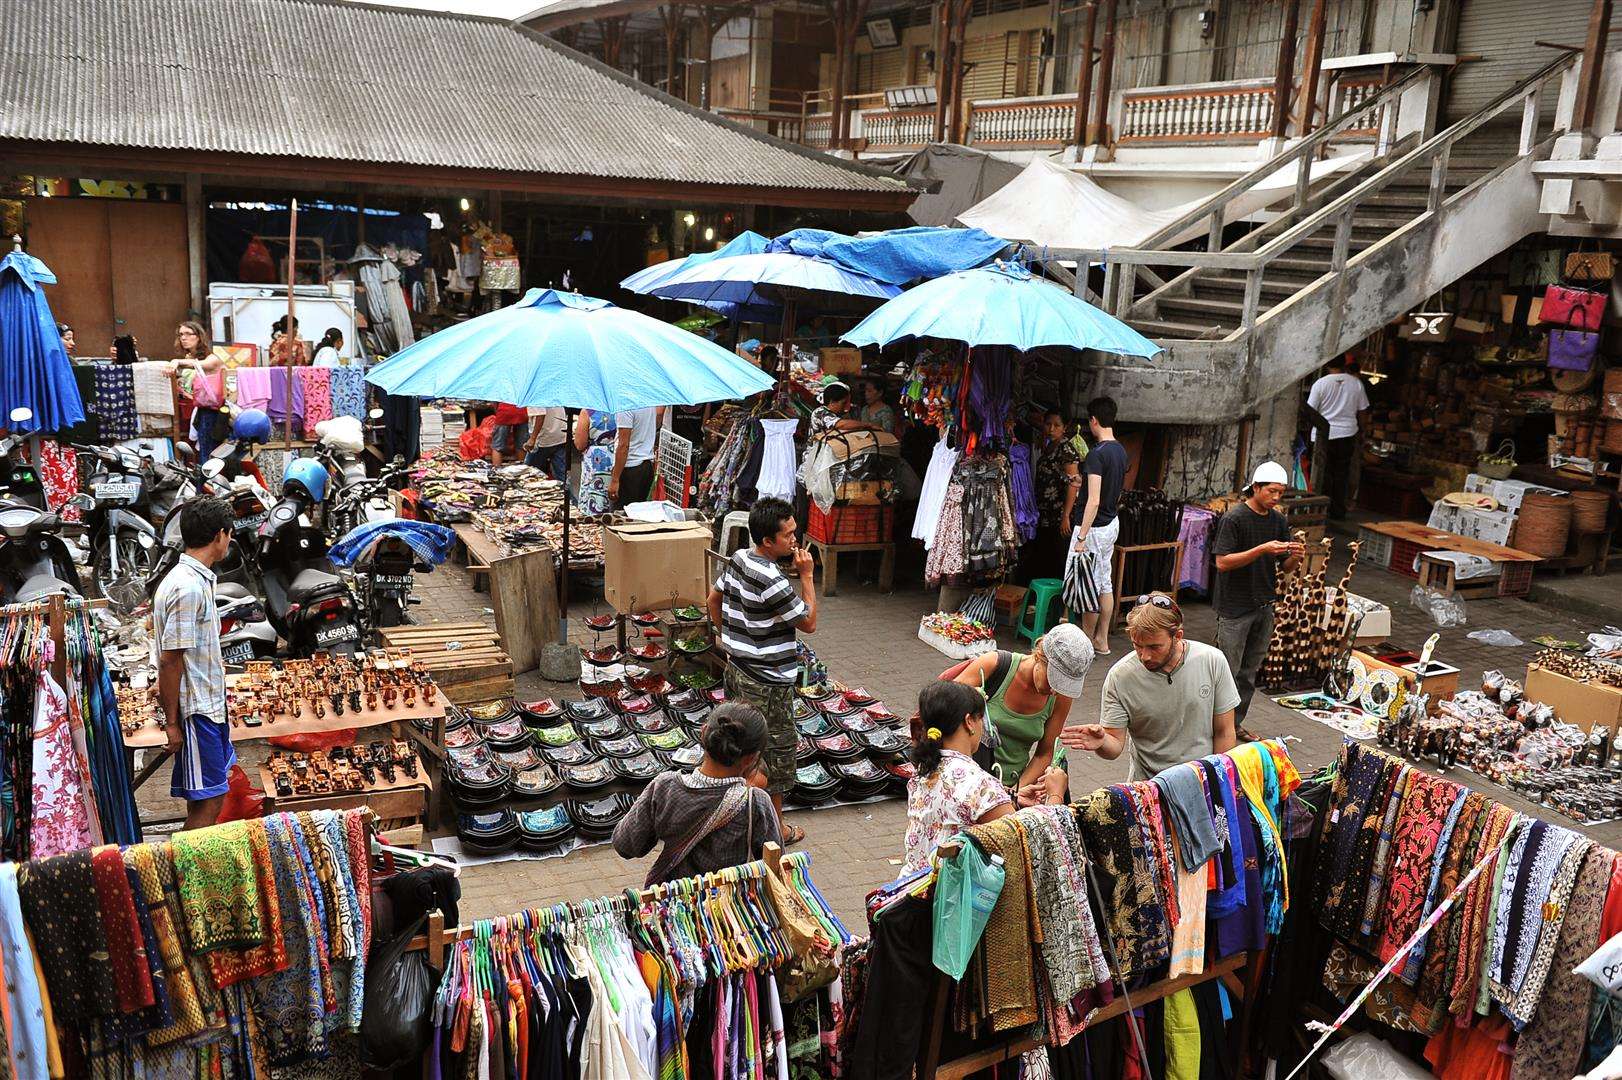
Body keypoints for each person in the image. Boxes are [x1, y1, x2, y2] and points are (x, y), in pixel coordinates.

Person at [707, 497, 818, 845]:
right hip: (768, 683)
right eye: (788, 536)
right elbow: (809, 621)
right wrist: (807, 576)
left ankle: (734, 814)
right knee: (776, 754)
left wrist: (727, 638)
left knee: (737, 743)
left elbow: (713, 599)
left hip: (738, 669)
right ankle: (776, 830)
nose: (794, 541)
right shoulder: (773, 579)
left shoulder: (740, 558)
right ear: (768, 541)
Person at [1061, 593, 1239, 781]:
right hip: (1150, 788)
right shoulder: (1120, 677)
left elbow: (1224, 732)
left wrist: (1220, 783)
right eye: (1137, 645)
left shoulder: (1212, 660)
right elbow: (1114, 745)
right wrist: (1102, 741)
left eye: (1154, 647)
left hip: (1202, 782)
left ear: (1177, 636)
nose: (1144, 656)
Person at [612, 703, 781, 886]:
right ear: (752, 758)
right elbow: (775, 865)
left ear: (703, 732)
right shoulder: (755, 803)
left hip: (672, 904)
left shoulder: (664, 787)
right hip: (729, 909)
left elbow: (626, 845)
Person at [155, 496, 236, 830]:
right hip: (196, 712)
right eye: (229, 534)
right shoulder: (187, 587)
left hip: (207, 707)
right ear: (219, 535)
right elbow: (170, 660)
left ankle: (191, 873)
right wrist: (172, 722)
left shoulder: (196, 580)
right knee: (209, 803)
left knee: (206, 797)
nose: (230, 540)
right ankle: (186, 877)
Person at [952, 623, 1093, 793]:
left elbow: (1044, 754)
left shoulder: (1061, 697)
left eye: (1064, 684)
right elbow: (943, 709)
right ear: (1040, 656)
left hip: (1013, 785)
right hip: (963, 781)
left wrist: (1014, 792)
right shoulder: (994, 665)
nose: (1055, 690)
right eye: (1053, 679)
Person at [1213, 462, 1304, 725]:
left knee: (1248, 672)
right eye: (1271, 491)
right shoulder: (1234, 519)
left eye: (1281, 493)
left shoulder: (1278, 520)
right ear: (1256, 488)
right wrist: (1261, 549)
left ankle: (1234, 724)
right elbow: (1222, 562)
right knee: (1226, 672)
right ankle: (1215, 727)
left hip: (1264, 605)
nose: (1276, 498)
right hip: (1234, 607)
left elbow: (1285, 566)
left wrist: (1296, 558)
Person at [902, 682, 1024, 872]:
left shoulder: (923, 771)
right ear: (969, 722)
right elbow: (1020, 846)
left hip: (912, 888)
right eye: (981, 719)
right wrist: (1053, 798)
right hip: (953, 897)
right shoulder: (980, 784)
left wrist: (1007, 800)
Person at [1068, 396, 1129, 654]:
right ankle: (1101, 640)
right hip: (1110, 523)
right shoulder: (1120, 451)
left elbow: (1093, 501)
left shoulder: (1096, 454)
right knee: (1104, 582)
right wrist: (1081, 485)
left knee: (1087, 584)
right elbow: (1108, 491)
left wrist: (1081, 536)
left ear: (1094, 420)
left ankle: (1084, 642)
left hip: (1092, 527)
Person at [1306, 354, 1370, 519]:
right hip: (1347, 434)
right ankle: (1338, 511)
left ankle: (1321, 511)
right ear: (1344, 364)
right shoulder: (1356, 383)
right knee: (1341, 474)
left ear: (1326, 364)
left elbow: (1310, 411)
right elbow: (1363, 411)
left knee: (1323, 474)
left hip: (1322, 436)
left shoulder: (1320, 384)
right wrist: (1363, 430)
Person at [1028, 410, 1082, 582]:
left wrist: (1066, 516)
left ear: (1064, 428)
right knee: (1043, 554)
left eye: (1057, 425)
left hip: (1059, 514)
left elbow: (1073, 483)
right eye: (1048, 424)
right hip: (1044, 511)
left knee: (1057, 557)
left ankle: (1056, 602)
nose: (1051, 428)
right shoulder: (1048, 445)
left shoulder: (1066, 449)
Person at [172, 321, 228, 458]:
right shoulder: (188, 357)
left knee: (207, 452)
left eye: (188, 334)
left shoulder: (212, 358)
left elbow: (199, 365)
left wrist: (177, 362)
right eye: (181, 335)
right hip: (190, 410)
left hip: (210, 411)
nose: (183, 338)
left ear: (198, 336)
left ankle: (208, 478)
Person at [610, 406, 659, 507]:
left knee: (621, 514)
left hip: (630, 468)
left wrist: (615, 479)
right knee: (638, 513)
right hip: (646, 464)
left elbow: (623, 445)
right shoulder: (649, 402)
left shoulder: (625, 408)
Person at [574, 409, 618, 516]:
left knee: (594, 496)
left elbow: (580, 444)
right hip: (617, 458)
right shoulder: (622, 410)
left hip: (596, 461)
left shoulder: (588, 411)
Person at [809, 382, 881, 436]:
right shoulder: (820, 413)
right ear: (832, 402)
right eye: (843, 403)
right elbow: (840, 424)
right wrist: (868, 425)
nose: (846, 406)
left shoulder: (837, 414)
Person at [523, 407, 569, 481]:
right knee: (562, 475)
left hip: (543, 439)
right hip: (560, 435)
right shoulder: (555, 394)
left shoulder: (535, 396)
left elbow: (540, 415)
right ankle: (566, 491)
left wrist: (532, 438)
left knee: (527, 473)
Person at [488, 401, 530, 466]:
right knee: (521, 446)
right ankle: (522, 471)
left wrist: (498, 412)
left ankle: (496, 471)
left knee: (497, 447)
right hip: (522, 411)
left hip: (504, 410)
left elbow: (494, 400)